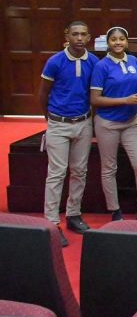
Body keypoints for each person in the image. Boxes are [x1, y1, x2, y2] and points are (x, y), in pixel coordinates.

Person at [40, 20, 99, 246]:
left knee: (80, 171)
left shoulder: (93, 61)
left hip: (83, 122)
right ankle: (52, 222)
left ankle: (73, 214)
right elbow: (43, 93)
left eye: (84, 34)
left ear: (89, 37)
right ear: (67, 35)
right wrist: (51, 119)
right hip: (58, 123)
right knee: (56, 173)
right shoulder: (55, 61)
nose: (79, 38)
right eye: (75, 34)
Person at [89, 27, 137, 221]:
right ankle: (114, 210)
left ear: (126, 41)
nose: (118, 43)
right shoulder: (101, 66)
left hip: (130, 122)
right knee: (109, 167)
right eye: (113, 39)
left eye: (121, 39)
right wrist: (125, 100)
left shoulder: (132, 61)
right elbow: (95, 100)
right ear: (108, 43)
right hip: (107, 123)